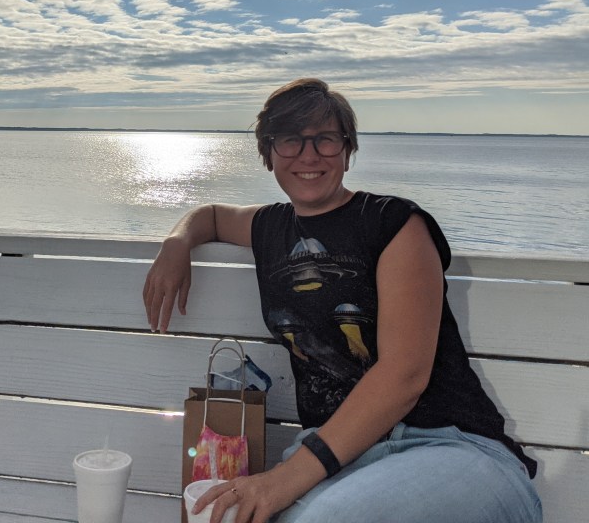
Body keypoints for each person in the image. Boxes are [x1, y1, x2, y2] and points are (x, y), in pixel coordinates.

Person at [142, 78, 542, 523]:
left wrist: (283, 480)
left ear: (347, 151)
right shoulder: (270, 228)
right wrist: (177, 241)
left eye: (326, 140)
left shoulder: (394, 224)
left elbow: (402, 376)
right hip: (340, 460)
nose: (308, 155)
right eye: (290, 140)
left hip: (447, 447)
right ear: (268, 153)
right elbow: (212, 216)